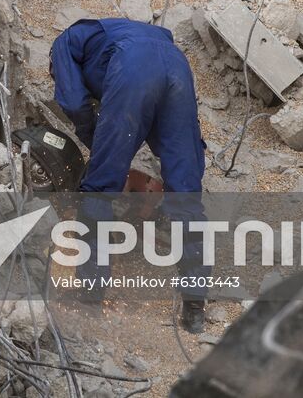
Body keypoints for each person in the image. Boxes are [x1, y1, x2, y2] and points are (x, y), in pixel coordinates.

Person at [50, 17, 208, 333]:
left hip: (133, 66)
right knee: (186, 193)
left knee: (98, 190)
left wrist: (96, 142)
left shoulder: (62, 45)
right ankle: (195, 308)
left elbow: (74, 102)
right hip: (177, 65)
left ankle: (89, 298)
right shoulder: (112, 34)